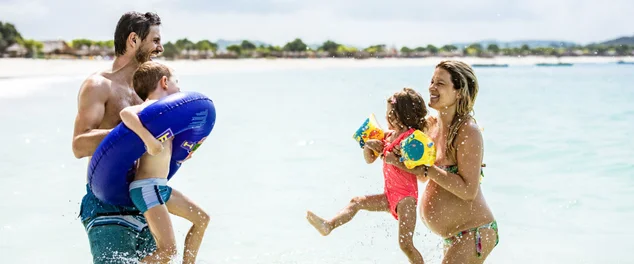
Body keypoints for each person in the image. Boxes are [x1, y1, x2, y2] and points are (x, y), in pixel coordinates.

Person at [72, 11, 164, 263]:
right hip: (106, 204)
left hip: (144, 202)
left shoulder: (149, 93)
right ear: (133, 40)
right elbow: (79, 145)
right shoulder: (99, 85)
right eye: (155, 40)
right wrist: (135, 133)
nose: (161, 48)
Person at [385, 60, 499, 264]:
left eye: (440, 83)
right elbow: (420, 175)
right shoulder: (430, 126)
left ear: (459, 92)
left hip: (474, 233)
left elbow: (468, 190)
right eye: (432, 81)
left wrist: (428, 169)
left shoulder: (468, 131)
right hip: (453, 236)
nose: (431, 87)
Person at [306, 88, 429, 264]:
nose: (387, 118)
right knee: (357, 202)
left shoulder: (411, 140)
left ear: (403, 114)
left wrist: (396, 161)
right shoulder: (387, 137)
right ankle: (328, 225)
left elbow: (421, 170)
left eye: (391, 114)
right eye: (387, 114)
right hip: (390, 196)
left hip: (406, 199)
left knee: (405, 244)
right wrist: (368, 146)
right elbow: (369, 160)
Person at [120, 61, 209, 264]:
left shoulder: (168, 116)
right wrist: (147, 139)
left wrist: (183, 152)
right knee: (167, 251)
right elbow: (125, 114)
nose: (180, 88)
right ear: (164, 82)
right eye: (177, 82)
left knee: (202, 219)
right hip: (146, 187)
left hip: (160, 187)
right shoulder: (148, 108)